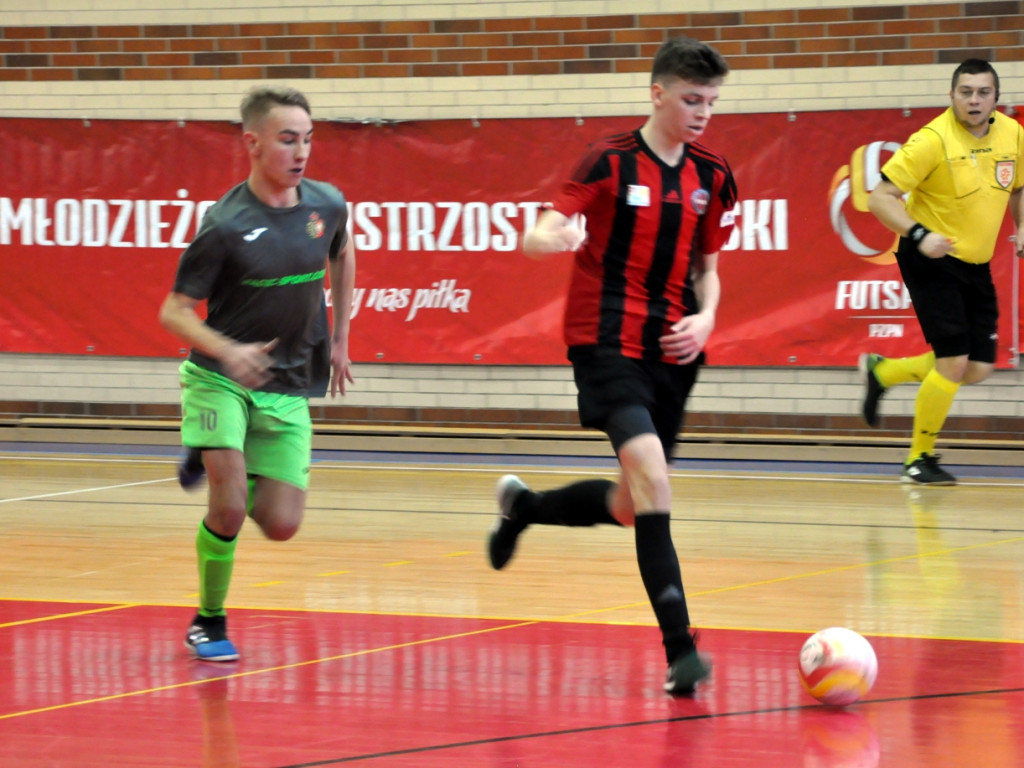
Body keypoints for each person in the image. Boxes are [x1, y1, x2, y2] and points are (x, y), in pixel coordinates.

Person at [487, 36, 737, 696]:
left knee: (633, 505)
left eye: (711, 101)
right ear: (657, 93)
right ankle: (681, 652)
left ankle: (525, 509)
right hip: (604, 345)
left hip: (673, 353)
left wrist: (707, 318)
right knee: (655, 481)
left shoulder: (713, 176)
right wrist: (554, 237)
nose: (703, 112)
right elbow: (539, 230)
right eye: (691, 99)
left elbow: (710, 273)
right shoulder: (609, 161)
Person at [158, 85, 356, 661]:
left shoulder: (326, 205)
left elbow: (343, 253)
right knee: (228, 509)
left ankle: (213, 456)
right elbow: (173, 311)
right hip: (219, 376)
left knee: (282, 524)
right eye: (288, 140)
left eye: (309, 140)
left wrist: (341, 337)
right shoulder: (224, 224)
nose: (302, 152)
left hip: (289, 381)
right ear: (253, 143)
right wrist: (229, 351)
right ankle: (209, 620)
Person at [862, 58, 1024, 485]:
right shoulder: (931, 140)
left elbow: (1020, 186)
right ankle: (919, 458)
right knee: (953, 360)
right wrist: (919, 234)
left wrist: (1022, 225)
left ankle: (885, 372)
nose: (974, 100)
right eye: (965, 91)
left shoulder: (1013, 134)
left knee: (977, 368)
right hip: (929, 259)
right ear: (951, 96)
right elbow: (880, 197)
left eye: (982, 92)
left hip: (975, 263)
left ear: (995, 99)